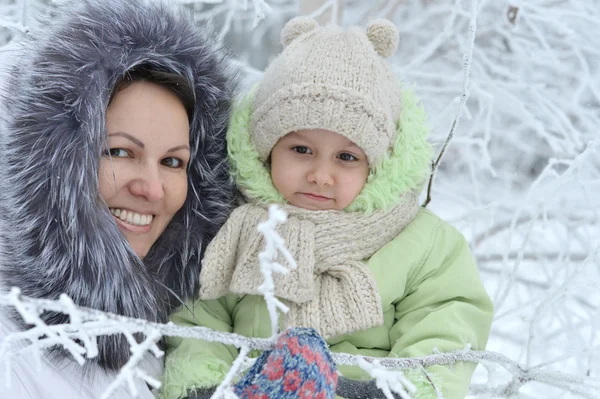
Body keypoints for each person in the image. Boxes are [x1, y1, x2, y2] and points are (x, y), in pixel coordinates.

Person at [161, 17, 494, 399]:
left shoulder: (424, 244)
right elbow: (201, 323)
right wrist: (205, 388)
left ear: (378, 164)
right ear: (266, 151)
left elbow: (445, 326)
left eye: (347, 157)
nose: (321, 175)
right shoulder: (236, 228)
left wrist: (384, 391)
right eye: (301, 150)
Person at [0, 0, 235, 398]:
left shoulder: (183, 331)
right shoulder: (14, 343)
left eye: (173, 161)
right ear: (51, 165)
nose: (152, 188)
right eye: (120, 152)